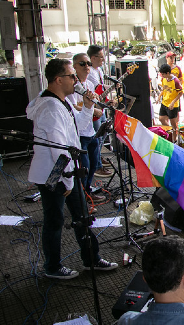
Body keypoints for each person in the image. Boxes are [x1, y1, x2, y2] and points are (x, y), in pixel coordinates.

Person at [27, 58, 117, 279]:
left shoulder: (62, 101)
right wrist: (66, 180)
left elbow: (78, 127)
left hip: (65, 171)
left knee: (82, 215)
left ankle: (91, 259)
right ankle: (53, 267)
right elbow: (58, 148)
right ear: (58, 80)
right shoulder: (49, 107)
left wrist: (87, 107)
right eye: (71, 76)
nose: (76, 81)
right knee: (55, 219)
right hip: (55, 173)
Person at [70, 53, 105, 203]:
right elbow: (72, 106)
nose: (87, 67)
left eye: (88, 64)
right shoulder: (72, 88)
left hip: (91, 131)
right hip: (80, 133)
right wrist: (90, 108)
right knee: (84, 167)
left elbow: (95, 102)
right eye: (82, 64)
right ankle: (82, 198)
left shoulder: (89, 85)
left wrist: (101, 106)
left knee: (93, 165)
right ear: (74, 66)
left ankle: (88, 192)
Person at [86, 45, 113, 178]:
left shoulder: (99, 71)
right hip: (94, 109)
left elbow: (101, 89)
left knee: (102, 135)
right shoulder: (90, 72)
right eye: (101, 57)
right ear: (93, 58)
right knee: (97, 138)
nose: (103, 59)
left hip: (100, 107)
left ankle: (98, 159)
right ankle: (96, 165)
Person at [157, 64, 183, 142]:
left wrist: (173, 102)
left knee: (173, 123)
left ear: (168, 73)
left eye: (163, 74)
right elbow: (164, 89)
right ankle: (169, 131)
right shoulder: (164, 79)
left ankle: (174, 139)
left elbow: (180, 93)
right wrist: (159, 96)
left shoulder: (175, 81)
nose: (162, 75)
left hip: (173, 105)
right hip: (164, 102)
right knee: (161, 119)